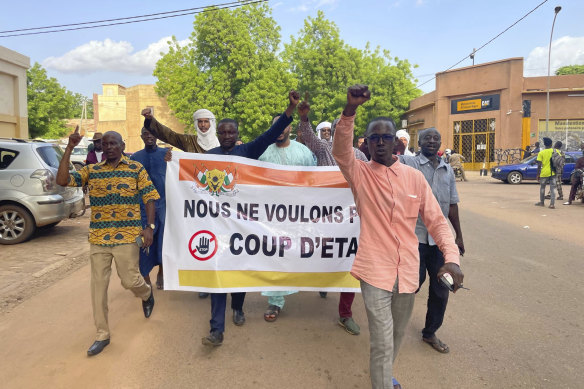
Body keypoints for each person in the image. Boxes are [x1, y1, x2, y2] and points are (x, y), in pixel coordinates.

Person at [332, 84, 463, 389]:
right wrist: (349, 111)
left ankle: (384, 375)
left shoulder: (414, 177)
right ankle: (382, 383)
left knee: (396, 335)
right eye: (373, 137)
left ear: (396, 143)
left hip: (407, 271)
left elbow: (438, 222)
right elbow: (340, 150)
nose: (379, 142)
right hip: (374, 271)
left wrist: (452, 259)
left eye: (385, 137)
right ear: (366, 143)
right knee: (381, 339)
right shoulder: (359, 173)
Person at [199, 90, 301, 346]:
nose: (226, 136)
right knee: (219, 275)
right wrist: (172, 160)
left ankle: (239, 308)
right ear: (217, 133)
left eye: (230, 132)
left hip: (243, 225)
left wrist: (289, 110)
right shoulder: (209, 157)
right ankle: (216, 330)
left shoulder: (248, 151)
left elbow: (269, 135)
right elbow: (190, 177)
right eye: (222, 132)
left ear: (237, 133)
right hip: (217, 225)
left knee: (239, 270)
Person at [56, 127, 159, 357]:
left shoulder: (135, 168)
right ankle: (102, 334)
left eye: (114, 143)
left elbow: (150, 197)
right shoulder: (91, 171)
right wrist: (70, 147)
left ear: (122, 146)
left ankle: (146, 294)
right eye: (106, 144)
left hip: (127, 235)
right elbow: (62, 180)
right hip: (99, 238)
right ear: (101, 147)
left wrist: (149, 227)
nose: (110, 147)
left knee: (130, 280)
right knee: (98, 287)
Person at [297, 103, 368, 336]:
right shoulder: (323, 148)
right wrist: (305, 117)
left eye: (345, 129)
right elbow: (307, 135)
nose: (341, 133)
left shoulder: (360, 156)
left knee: (348, 260)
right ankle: (324, 283)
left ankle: (345, 314)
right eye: (337, 129)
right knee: (323, 253)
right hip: (323, 217)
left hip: (350, 220)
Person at [141, 108, 218, 299]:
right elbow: (169, 135)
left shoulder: (223, 143)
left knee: (219, 239)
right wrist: (151, 120)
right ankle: (203, 282)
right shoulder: (189, 142)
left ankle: (219, 279)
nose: (203, 125)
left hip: (219, 202)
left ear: (212, 123)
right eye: (199, 122)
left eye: (206, 121)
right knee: (202, 240)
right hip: (196, 202)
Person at [401, 128, 465, 355]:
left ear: (440, 143)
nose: (431, 141)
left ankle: (430, 332)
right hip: (414, 238)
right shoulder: (409, 163)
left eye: (436, 138)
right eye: (427, 137)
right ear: (418, 142)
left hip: (439, 241)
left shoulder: (447, 170)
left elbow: (452, 205)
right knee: (411, 285)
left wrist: (458, 236)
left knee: (442, 289)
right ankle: (393, 326)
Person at [259, 113, 316, 322]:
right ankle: (275, 300)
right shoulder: (262, 153)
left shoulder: (304, 153)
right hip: (270, 215)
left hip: (298, 215)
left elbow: (315, 182)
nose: (280, 130)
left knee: (301, 251)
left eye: (284, 126)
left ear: (290, 128)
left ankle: (323, 280)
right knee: (275, 254)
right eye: (276, 126)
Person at [130, 128, 171, 289]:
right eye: (145, 134)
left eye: (152, 134)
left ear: (157, 136)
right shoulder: (135, 157)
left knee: (164, 240)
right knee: (143, 242)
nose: (149, 136)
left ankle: (162, 272)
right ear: (141, 137)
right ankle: (145, 276)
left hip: (163, 203)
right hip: (142, 206)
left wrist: (173, 160)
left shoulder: (167, 155)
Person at [535, 137, 556, 209]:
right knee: (553, 189)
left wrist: (538, 174)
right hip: (553, 172)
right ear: (551, 144)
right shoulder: (555, 151)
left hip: (544, 173)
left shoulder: (541, 153)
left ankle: (542, 202)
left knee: (542, 188)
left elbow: (539, 165)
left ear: (544, 144)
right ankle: (552, 204)